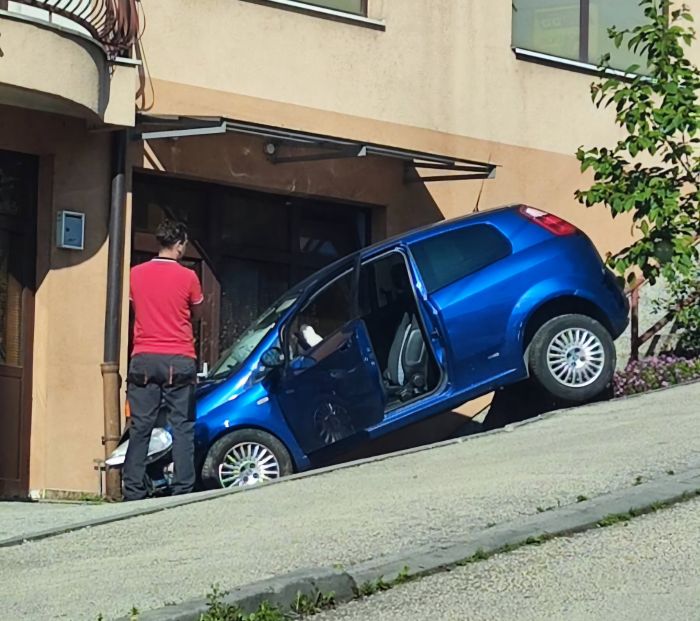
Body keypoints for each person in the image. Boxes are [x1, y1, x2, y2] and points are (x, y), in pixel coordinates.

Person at [123, 219, 204, 500]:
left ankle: (132, 489)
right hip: (179, 357)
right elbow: (197, 313)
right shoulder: (189, 277)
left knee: (140, 426)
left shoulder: (135, 274)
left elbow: (135, 307)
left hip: (143, 357)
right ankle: (183, 488)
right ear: (180, 244)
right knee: (182, 425)